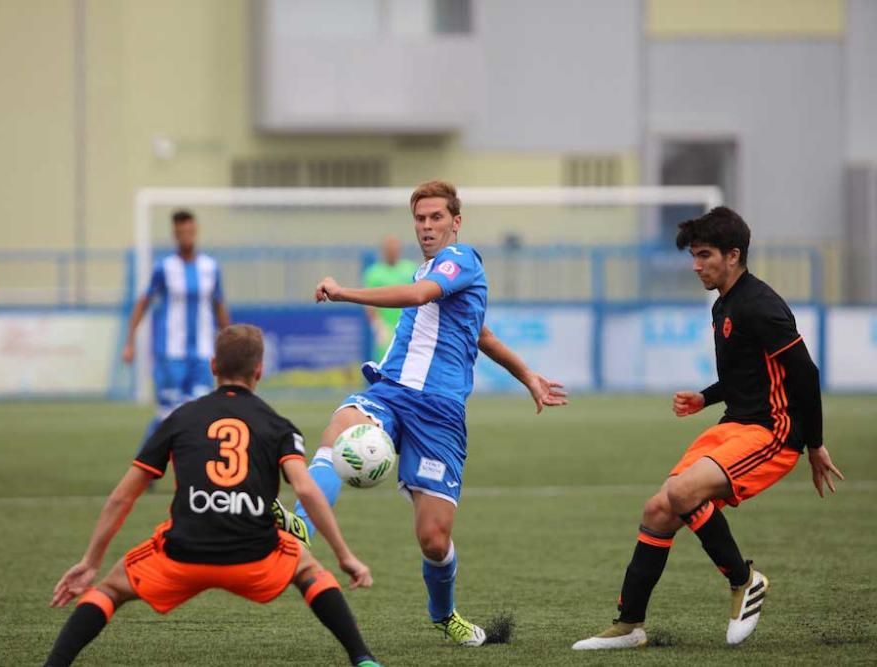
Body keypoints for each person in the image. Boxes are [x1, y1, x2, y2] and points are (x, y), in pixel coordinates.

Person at [285, 181, 567, 647]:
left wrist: (343, 292)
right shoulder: (430, 271)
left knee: (434, 540)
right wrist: (528, 375)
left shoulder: (462, 261)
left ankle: (444, 614)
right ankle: (299, 525)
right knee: (341, 428)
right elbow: (483, 334)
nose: (427, 226)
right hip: (392, 392)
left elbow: (420, 297)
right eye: (420, 218)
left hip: (439, 414)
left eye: (437, 217)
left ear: (456, 221)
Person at [573, 207, 844, 650]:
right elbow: (749, 372)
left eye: (704, 255)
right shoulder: (725, 303)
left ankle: (745, 580)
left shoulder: (761, 305)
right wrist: (705, 397)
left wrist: (814, 445)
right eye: (694, 256)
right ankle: (630, 625)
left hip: (772, 433)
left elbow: (805, 374)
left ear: (733, 255)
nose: (696, 266)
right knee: (658, 509)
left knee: (682, 494)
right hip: (733, 425)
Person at [45, 325, 382, 667]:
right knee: (309, 571)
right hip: (255, 555)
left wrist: (89, 562)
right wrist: (344, 555)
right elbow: (306, 489)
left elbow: (122, 496)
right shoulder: (277, 425)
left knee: (109, 590)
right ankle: (363, 658)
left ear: (212, 366)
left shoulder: (180, 419)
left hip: (183, 553)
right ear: (259, 371)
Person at [122, 209, 230, 445]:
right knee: (169, 415)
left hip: (202, 353)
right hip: (170, 353)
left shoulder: (210, 267)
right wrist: (130, 341)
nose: (186, 236)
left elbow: (219, 305)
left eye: (190, 231)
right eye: (181, 232)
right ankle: (146, 466)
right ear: (175, 234)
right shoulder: (165, 268)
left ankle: (195, 471)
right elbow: (143, 303)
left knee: (202, 413)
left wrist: (228, 344)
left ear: (196, 231)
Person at [362, 236, 417, 361]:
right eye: (389, 249)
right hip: (386, 327)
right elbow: (368, 302)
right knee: (386, 360)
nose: (392, 252)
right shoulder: (374, 273)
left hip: (408, 324)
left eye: (395, 249)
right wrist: (378, 325)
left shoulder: (410, 269)